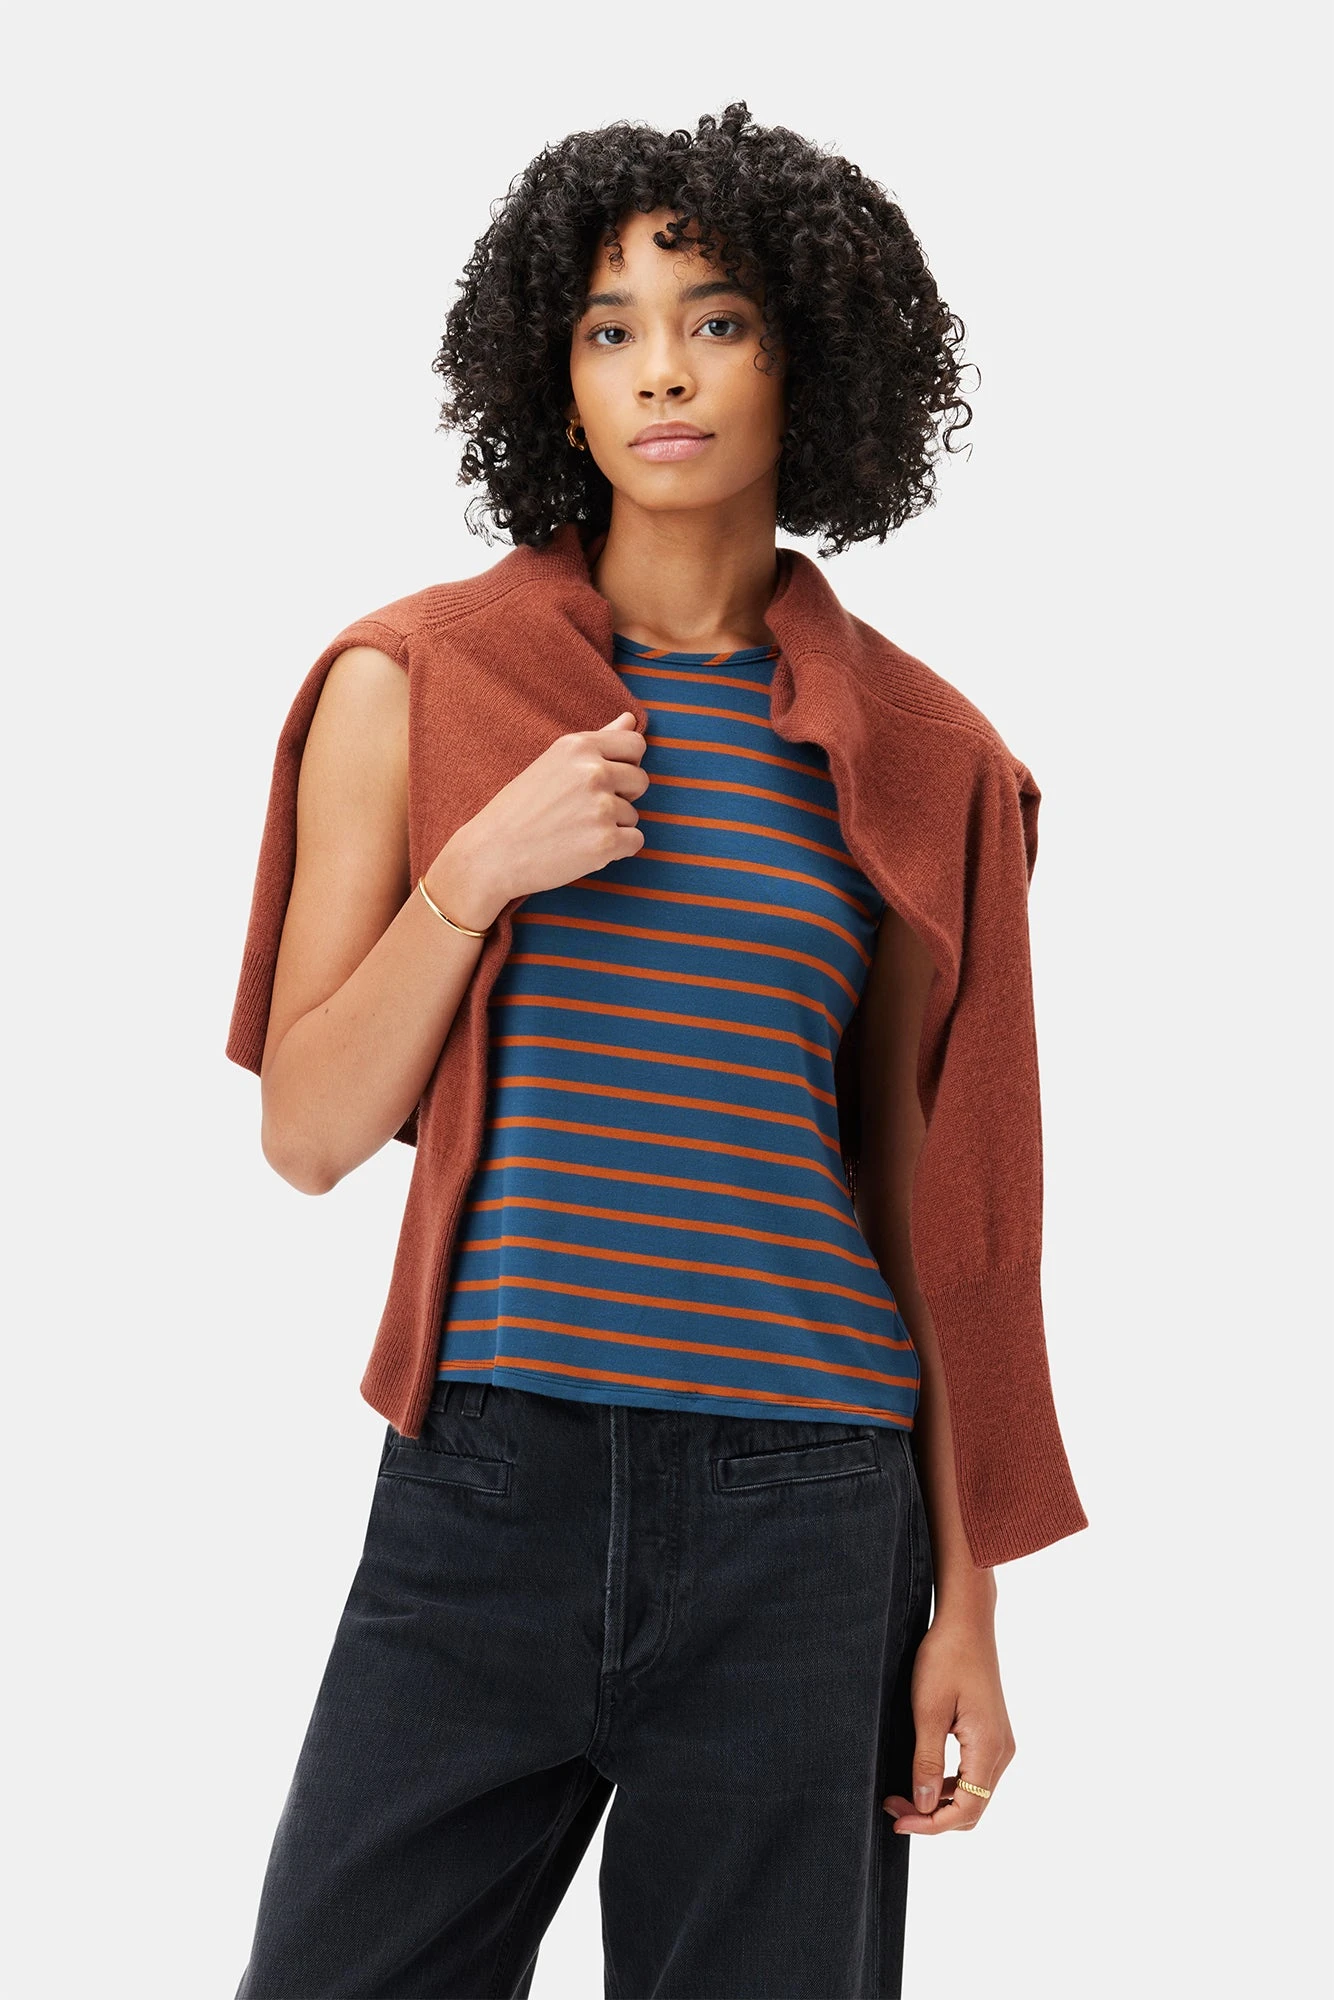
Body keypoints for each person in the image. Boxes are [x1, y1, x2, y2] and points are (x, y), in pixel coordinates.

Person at [226, 101, 1087, 2000]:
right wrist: (476, 874)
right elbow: (307, 1129)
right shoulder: (414, 680)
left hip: (808, 1513)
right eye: (608, 328)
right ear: (552, 374)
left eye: (716, 320)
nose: (661, 372)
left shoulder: (920, 759)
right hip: (486, 1485)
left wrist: (965, 1601)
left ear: (811, 361)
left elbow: (933, 1214)